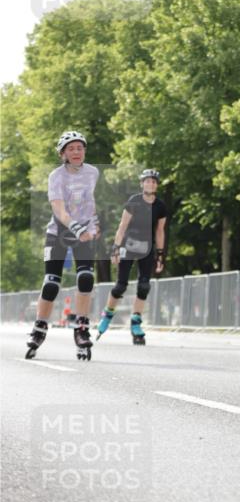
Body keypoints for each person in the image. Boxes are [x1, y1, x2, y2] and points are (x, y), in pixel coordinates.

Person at [26, 131, 99, 361]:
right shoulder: (56, 176)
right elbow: (59, 209)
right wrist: (76, 227)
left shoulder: (92, 172)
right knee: (51, 284)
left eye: (80, 147)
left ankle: (81, 327)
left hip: (84, 231)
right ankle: (39, 327)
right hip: (58, 232)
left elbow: (89, 201)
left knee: (86, 277)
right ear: (63, 154)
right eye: (71, 148)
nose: (76, 152)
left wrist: (94, 222)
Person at [95, 169, 167, 345]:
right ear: (142, 184)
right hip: (128, 245)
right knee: (121, 286)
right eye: (147, 181)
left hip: (147, 247)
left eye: (153, 181)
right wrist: (115, 247)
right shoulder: (134, 201)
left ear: (156, 185)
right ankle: (107, 314)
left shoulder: (160, 206)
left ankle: (136, 323)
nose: (150, 184)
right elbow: (122, 225)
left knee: (144, 286)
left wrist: (160, 254)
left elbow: (159, 231)